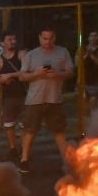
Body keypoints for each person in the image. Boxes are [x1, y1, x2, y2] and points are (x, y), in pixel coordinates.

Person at [16, 28, 74, 172]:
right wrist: (37, 74)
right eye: (45, 38)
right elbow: (22, 76)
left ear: (55, 38)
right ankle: (24, 160)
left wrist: (57, 74)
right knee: (30, 130)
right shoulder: (32, 55)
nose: (48, 42)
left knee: (59, 131)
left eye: (50, 38)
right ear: (39, 38)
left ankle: (67, 162)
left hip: (54, 99)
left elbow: (70, 72)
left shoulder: (62, 52)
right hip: (35, 99)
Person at [0, 33, 27, 161]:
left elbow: (26, 72)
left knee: (25, 124)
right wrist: (1, 79)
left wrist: (9, 75)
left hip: (24, 94)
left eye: (14, 39)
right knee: (9, 124)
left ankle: (24, 149)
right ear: (2, 43)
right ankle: (13, 148)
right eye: (9, 39)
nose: (13, 42)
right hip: (8, 96)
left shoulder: (21, 55)